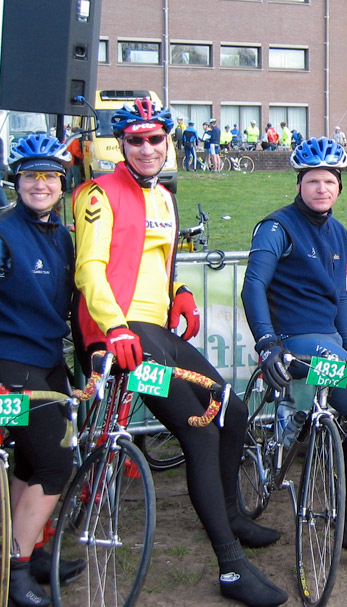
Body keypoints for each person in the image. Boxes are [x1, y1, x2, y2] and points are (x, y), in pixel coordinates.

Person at [71, 98, 287, 607]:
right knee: (199, 433)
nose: (147, 148)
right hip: (118, 332)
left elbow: (161, 266)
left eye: (156, 139)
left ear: (168, 142)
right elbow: (90, 270)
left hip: (156, 329)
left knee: (231, 410)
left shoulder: (164, 198)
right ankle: (230, 565)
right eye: (136, 140)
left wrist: (180, 294)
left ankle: (230, 512)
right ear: (121, 145)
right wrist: (115, 327)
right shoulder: (97, 194)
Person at [241, 137, 347, 572]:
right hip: (296, 341)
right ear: (299, 183)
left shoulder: (339, 231)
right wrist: (267, 342)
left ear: (340, 186)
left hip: (330, 342)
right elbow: (253, 285)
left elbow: (339, 298)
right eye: (313, 180)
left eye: (330, 181)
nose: (322, 188)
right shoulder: (276, 227)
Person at [1, 134, 84, 607]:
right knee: (55, 462)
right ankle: (14, 575)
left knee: (32, 460)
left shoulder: (63, 237)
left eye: (49, 176)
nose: (40, 184)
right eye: (30, 175)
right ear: (16, 181)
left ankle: (26, 553)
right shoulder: (4, 231)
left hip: (49, 362)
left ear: (62, 183)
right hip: (11, 363)